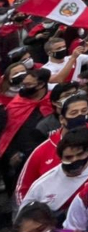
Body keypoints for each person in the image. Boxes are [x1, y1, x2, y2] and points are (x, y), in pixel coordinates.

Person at [15, 93, 88, 205]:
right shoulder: (42, 151)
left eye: (84, 111)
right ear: (62, 119)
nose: (80, 116)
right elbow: (22, 189)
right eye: (74, 113)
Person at [20, 126, 88, 221]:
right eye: (69, 157)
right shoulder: (42, 186)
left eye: (80, 154)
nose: (75, 160)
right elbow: (25, 220)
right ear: (60, 158)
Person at [0, 68, 53, 197]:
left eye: (28, 85)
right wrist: (11, 154)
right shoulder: (17, 103)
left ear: (41, 85)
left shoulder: (52, 103)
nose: (23, 88)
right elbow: (7, 132)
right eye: (23, 84)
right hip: (17, 161)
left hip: (45, 158)